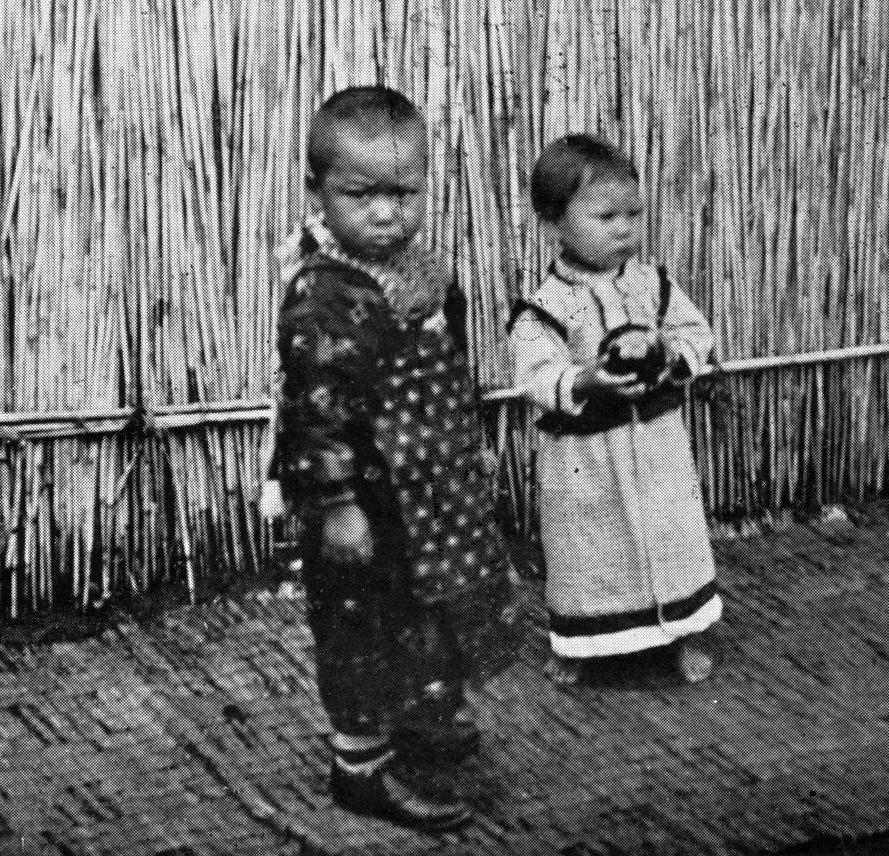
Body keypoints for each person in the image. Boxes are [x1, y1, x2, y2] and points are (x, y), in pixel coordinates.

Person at [268, 86, 517, 832]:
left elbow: (454, 359)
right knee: (362, 626)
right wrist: (339, 507)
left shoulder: (420, 269)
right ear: (318, 191)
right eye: (361, 194)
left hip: (425, 491)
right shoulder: (326, 293)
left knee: (425, 611)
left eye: (403, 193)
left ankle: (414, 719)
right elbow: (315, 412)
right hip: (364, 502)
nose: (385, 213)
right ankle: (361, 768)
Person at [508, 134, 721, 687]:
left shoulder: (652, 284)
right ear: (555, 224)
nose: (625, 228)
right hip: (586, 455)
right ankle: (579, 639)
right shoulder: (547, 306)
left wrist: (675, 353)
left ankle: (684, 629)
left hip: (657, 446)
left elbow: (696, 333)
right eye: (607, 216)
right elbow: (534, 374)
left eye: (633, 214)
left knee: (672, 534)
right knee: (587, 546)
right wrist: (584, 380)